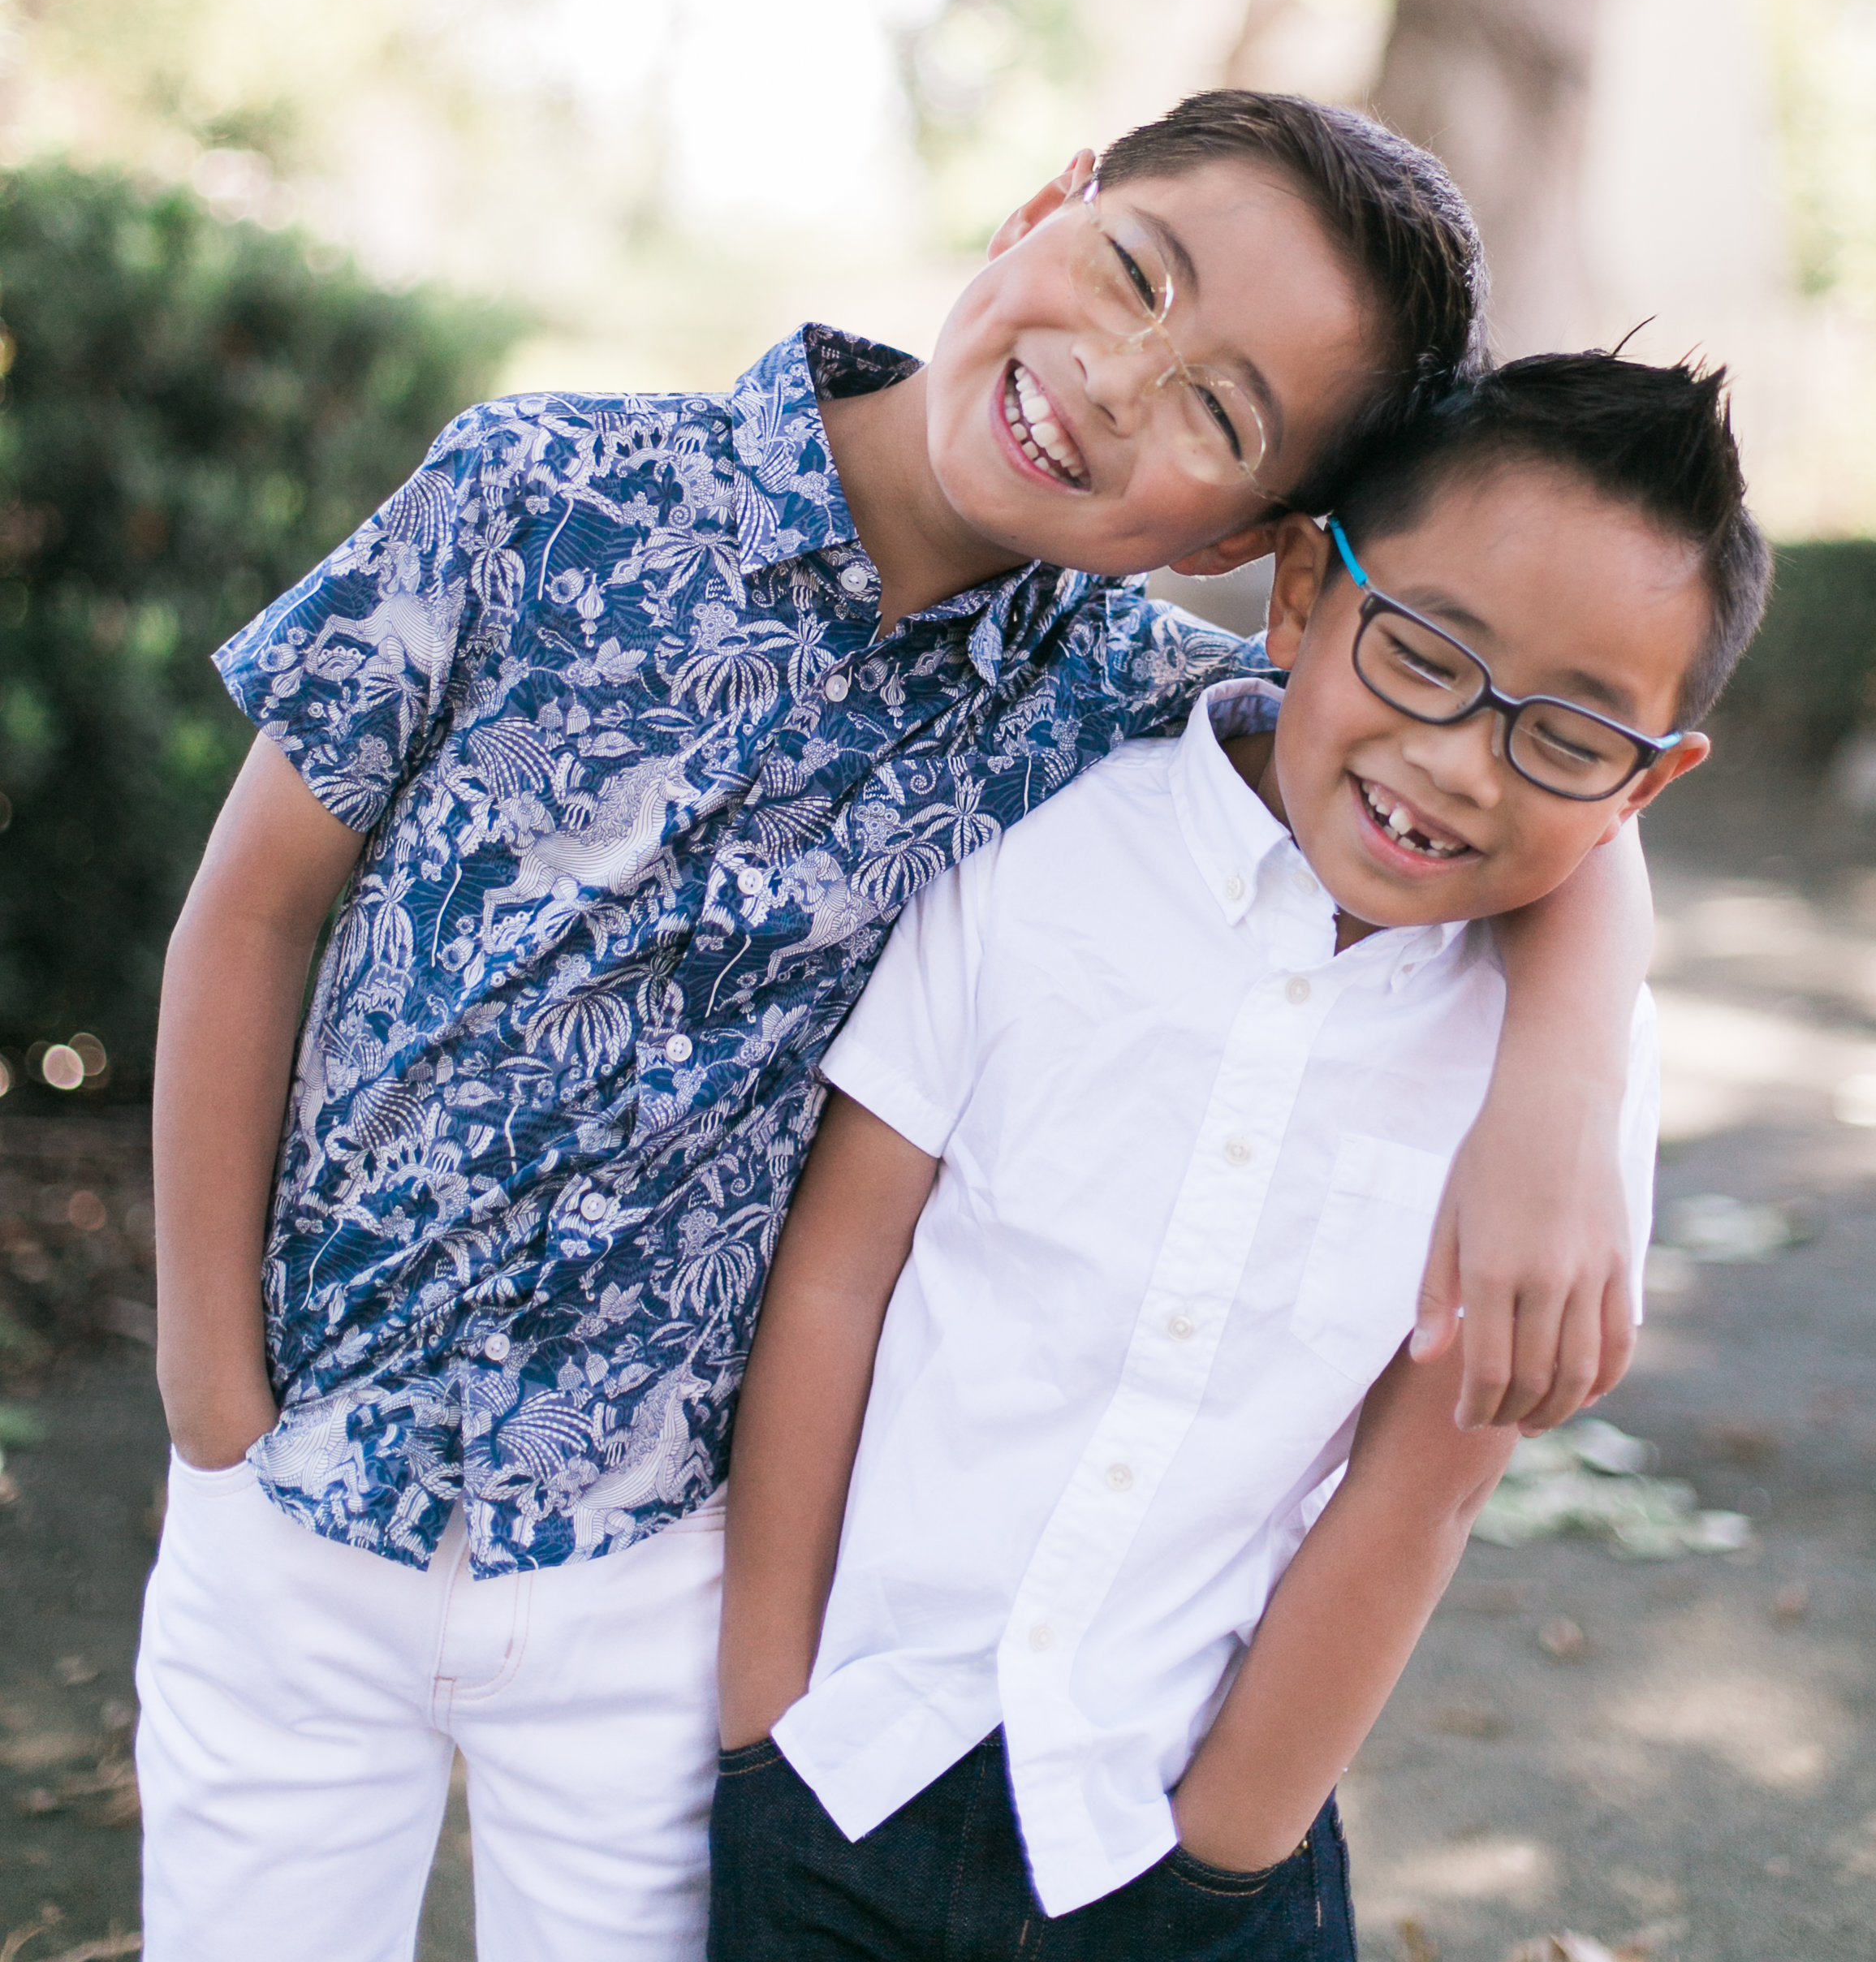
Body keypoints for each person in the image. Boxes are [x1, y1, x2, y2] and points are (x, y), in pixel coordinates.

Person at [136, 95, 1651, 1962]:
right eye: (1132, 276)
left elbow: (1510, 778)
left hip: (651, 1580)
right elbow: (254, 906)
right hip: (293, 1490)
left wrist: (1566, 1089)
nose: (1113, 380)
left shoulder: (1120, 709)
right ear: (1046, 206)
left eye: (1218, 416)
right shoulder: (537, 487)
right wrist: (215, 1397)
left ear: (1262, 539)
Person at [709, 351, 1772, 1961]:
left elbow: (1420, 1497)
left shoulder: (1554, 1101)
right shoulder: (1044, 866)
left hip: (1182, 1845)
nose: (1461, 761)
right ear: (1298, 590)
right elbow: (837, 1278)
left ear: (1645, 788)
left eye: (1564, 738)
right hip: (845, 1769)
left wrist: (1226, 1857)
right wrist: (763, 1721)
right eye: (1426, 654)